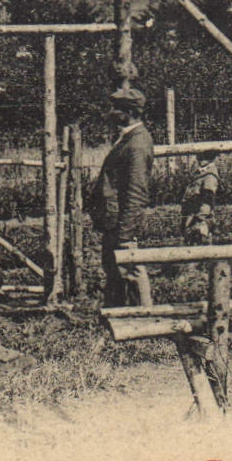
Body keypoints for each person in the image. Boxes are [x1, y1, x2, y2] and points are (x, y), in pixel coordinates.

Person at [93, 85, 153, 307]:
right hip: (114, 218)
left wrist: (126, 232)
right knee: (115, 269)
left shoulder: (137, 143)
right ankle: (116, 314)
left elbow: (136, 191)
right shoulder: (127, 138)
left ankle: (146, 316)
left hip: (122, 221)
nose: (112, 113)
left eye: (117, 109)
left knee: (131, 268)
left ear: (130, 113)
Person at [180, 150, 223, 245]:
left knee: (200, 247)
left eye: (205, 156)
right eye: (199, 156)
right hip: (190, 217)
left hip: (199, 219)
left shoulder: (209, 176)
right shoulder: (199, 173)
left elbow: (208, 199)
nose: (200, 159)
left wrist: (200, 219)